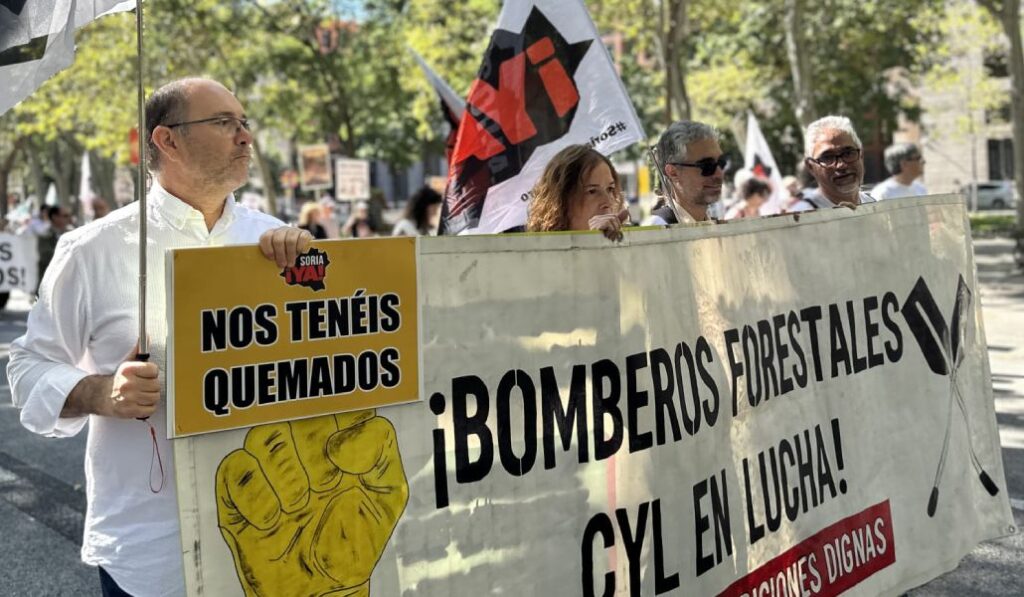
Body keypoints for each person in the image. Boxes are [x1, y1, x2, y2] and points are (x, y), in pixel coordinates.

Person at [6, 77, 311, 597]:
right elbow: (28, 368)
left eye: (244, 123)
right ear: (167, 141)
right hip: (151, 549)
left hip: (278, 537)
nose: (245, 137)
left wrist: (318, 272)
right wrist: (101, 393)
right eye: (223, 123)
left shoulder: (278, 239)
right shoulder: (91, 249)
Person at [525, 144, 628, 241]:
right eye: (592, 191)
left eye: (610, 189)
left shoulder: (626, 247)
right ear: (561, 201)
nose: (608, 202)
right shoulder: (537, 253)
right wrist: (590, 242)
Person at [791, 115, 877, 210]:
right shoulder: (802, 215)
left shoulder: (872, 204)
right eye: (828, 157)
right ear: (811, 167)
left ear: (861, 155)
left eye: (848, 153)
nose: (841, 165)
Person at [648, 120, 726, 224]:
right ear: (673, 172)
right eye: (707, 165)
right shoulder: (657, 230)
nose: (719, 174)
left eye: (721, 162)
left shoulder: (720, 229)